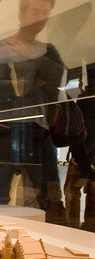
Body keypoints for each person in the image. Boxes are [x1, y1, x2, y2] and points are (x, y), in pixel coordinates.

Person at [0, 0, 67, 223]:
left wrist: (26, 63)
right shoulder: (0, 47)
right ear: (21, 14)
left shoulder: (49, 51)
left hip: (37, 130)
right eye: (35, 12)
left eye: (45, 13)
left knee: (50, 195)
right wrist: (35, 78)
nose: (41, 18)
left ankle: (56, 245)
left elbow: (55, 82)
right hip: (4, 129)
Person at [64, 65, 95, 231]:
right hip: (89, 155)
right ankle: (90, 231)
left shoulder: (87, 98)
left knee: (72, 192)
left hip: (82, 155)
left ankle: (71, 230)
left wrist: (77, 153)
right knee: (92, 194)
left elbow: (79, 128)